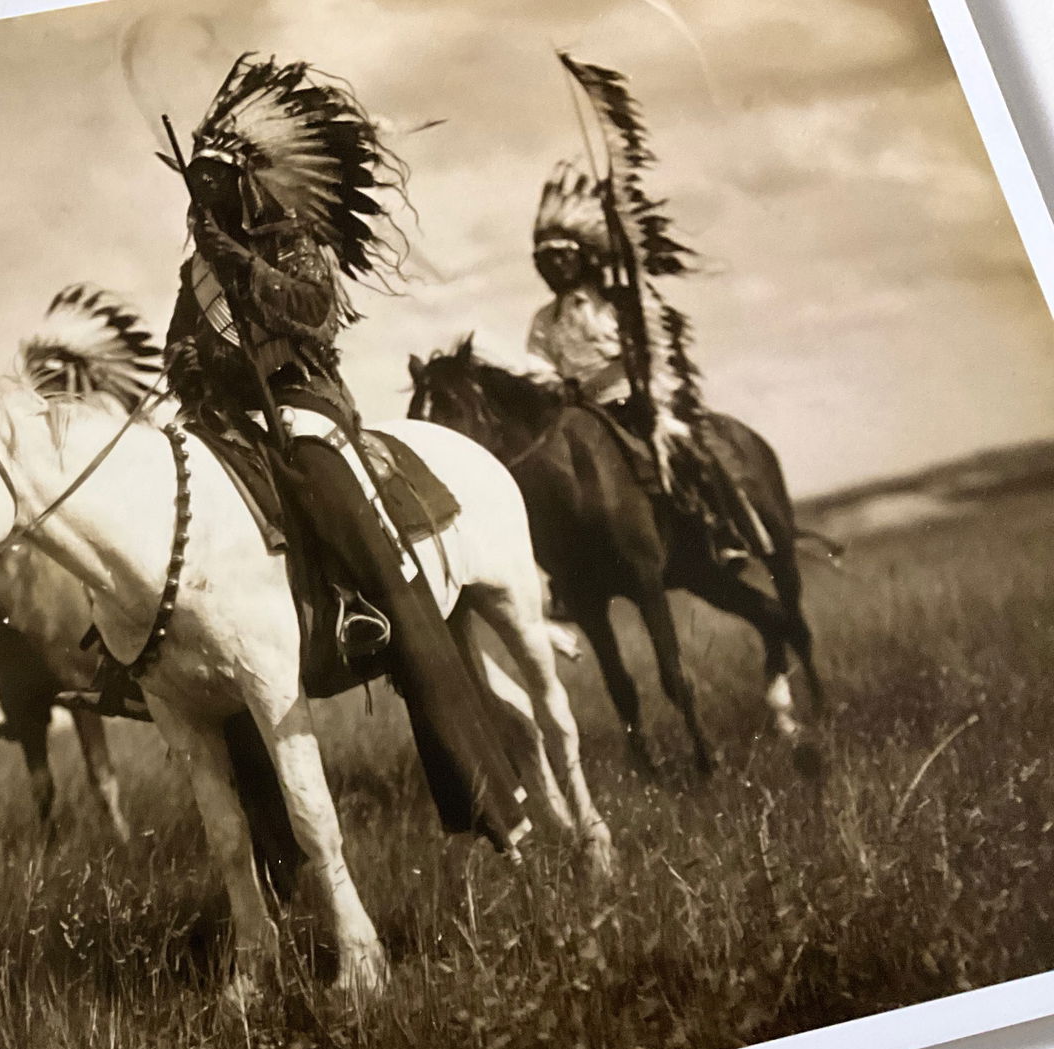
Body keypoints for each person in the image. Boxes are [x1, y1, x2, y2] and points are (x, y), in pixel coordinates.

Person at [157, 54, 532, 852]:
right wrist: (194, 372)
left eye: (217, 179)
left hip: (305, 409)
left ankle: (380, 613)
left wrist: (232, 256)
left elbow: (311, 315)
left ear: (247, 182)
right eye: (198, 183)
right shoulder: (196, 271)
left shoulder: (292, 244)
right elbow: (178, 351)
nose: (205, 195)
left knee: (319, 474)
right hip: (228, 421)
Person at [525, 153, 768, 567]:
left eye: (561, 258)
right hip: (582, 413)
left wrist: (633, 358)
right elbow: (538, 362)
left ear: (580, 258)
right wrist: (553, 383)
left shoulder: (619, 301)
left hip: (636, 401)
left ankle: (724, 531)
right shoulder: (545, 319)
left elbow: (655, 344)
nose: (554, 267)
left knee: (686, 451)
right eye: (545, 262)